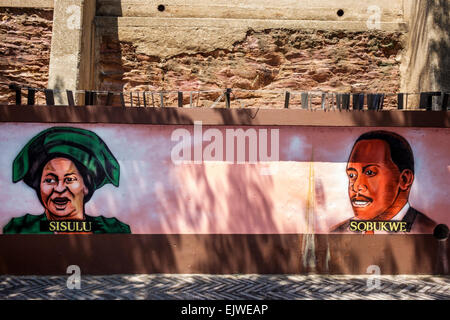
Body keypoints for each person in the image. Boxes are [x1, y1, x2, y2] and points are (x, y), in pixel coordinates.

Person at [3, 126, 131, 234]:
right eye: (50, 180)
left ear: (86, 186)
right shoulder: (21, 229)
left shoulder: (113, 230)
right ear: (38, 185)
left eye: (69, 179)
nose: (59, 188)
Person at [331, 130, 436, 234]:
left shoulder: (429, 231)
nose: (356, 186)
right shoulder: (337, 233)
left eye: (370, 172)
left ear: (404, 179)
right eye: (352, 175)